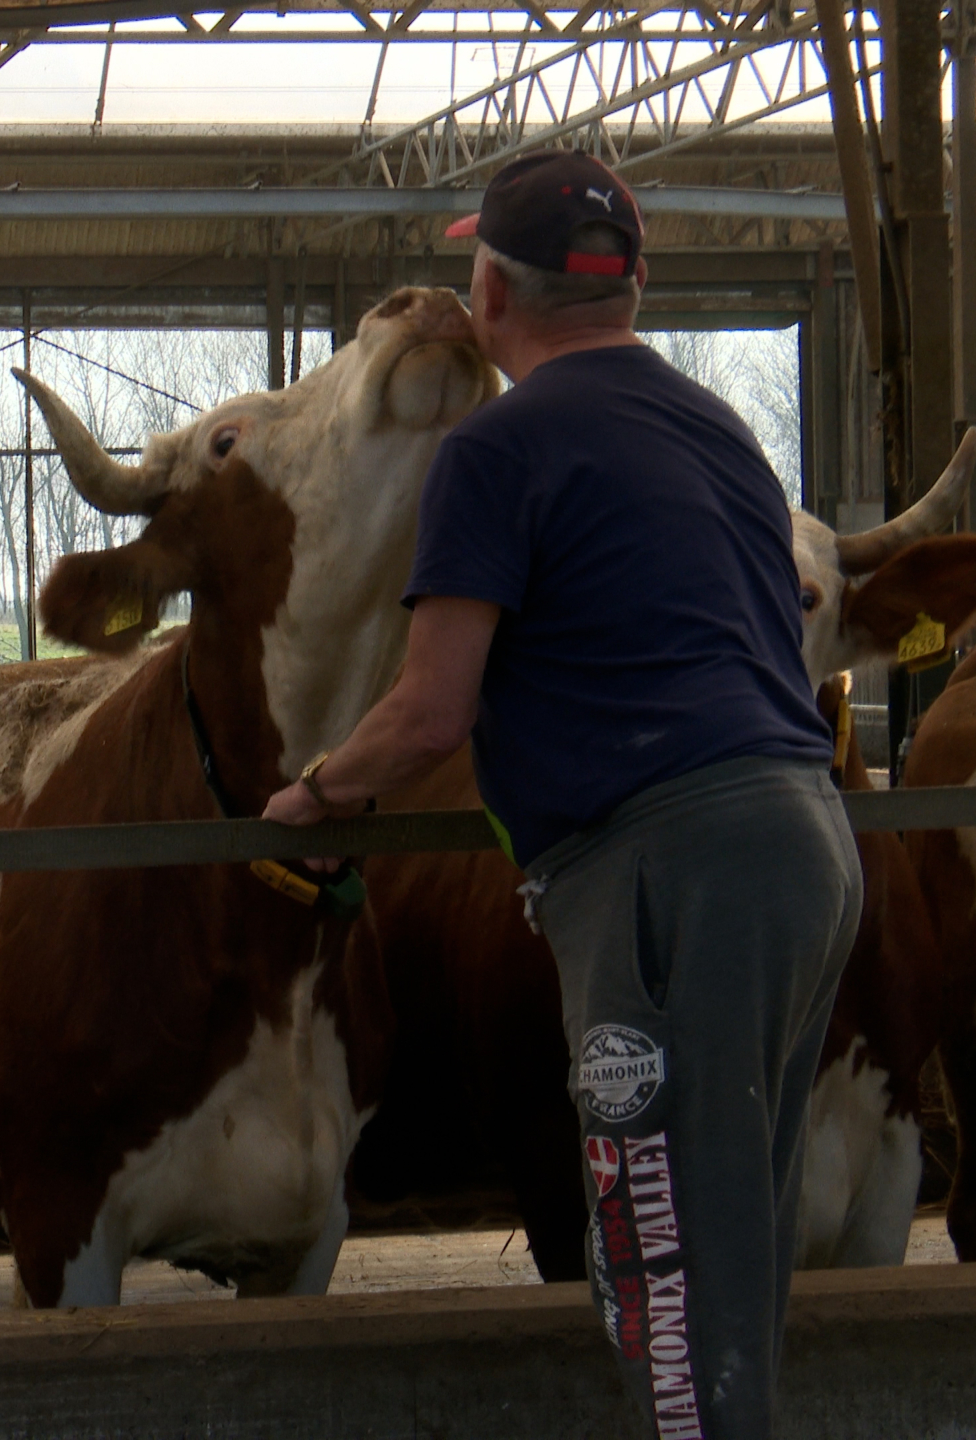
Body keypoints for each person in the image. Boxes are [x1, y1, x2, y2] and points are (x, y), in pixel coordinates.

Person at [263, 150, 858, 1440]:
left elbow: (431, 708)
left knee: (659, 1238)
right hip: (808, 845)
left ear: (488, 292)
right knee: (737, 1227)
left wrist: (319, 792)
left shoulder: (495, 449)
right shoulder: (725, 430)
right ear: (632, 285)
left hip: (665, 876)